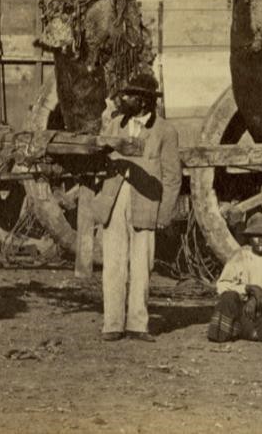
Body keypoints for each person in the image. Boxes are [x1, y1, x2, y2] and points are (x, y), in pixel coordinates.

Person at [93, 72, 182, 341]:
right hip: (114, 199)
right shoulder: (114, 125)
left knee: (142, 266)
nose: (123, 99)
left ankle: (137, 324)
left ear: (144, 101)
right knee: (113, 263)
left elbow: (172, 176)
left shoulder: (165, 131)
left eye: (130, 95)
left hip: (146, 202)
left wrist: (164, 214)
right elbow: (98, 159)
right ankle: (112, 324)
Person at [207, 214, 262, 343]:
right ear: (249, 238)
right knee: (228, 297)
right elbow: (222, 285)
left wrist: (261, 296)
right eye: (256, 236)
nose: (260, 240)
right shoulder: (241, 255)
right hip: (245, 310)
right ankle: (242, 330)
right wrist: (249, 289)